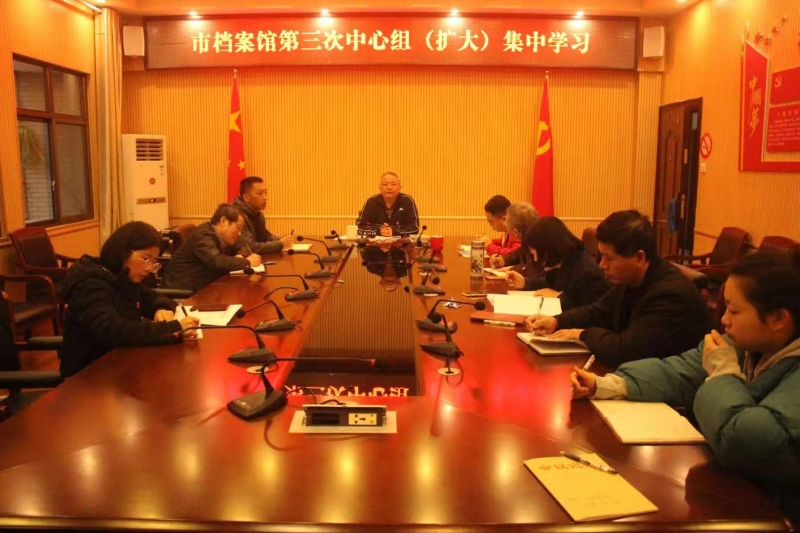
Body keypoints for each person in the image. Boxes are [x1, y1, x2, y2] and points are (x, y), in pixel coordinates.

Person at [570, 248, 800, 523]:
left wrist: (723, 373)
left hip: (774, 514)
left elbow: (745, 441)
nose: (724, 319)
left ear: (777, 319)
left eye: (735, 311)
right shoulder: (749, 343)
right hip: (731, 490)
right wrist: (611, 384)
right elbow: (682, 370)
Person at [525, 210, 712, 367]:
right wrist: (556, 321)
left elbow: (626, 350)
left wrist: (582, 334)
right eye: (601, 256)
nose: (602, 265)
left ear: (639, 258)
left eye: (609, 258)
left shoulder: (669, 295)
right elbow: (598, 311)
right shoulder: (630, 278)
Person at [59, 222, 201, 378]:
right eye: (146, 258)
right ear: (123, 252)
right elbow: (112, 330)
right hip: (87, 377)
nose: (149, 268)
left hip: (119, 366)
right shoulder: (90, 284)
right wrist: (173, 328)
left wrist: (161, 308)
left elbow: (153, 297)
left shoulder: (122, 277)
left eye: (154, 262)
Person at [506, 216, 609, 311]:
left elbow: (588, 311)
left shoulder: (587, 273)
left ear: (549, 249)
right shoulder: (567, 260)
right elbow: (548, 283)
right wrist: (524, 282)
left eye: (535, 253)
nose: (536, 259)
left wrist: (559, 297)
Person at [162, 204, 261, 293]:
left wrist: (239, 255)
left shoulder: (224, 236)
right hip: (184, 292)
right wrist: (246, 262)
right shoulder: (203, 235)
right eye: (238, 227)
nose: (239, 233)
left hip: (206, 287)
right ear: (223, 221)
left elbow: (243, 245)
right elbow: (216, 260)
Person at [232, 176, 294, 255]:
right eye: (260, 193)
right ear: (246, 197)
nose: (265, 197)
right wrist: (280, 244)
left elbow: (265, 237)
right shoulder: (235, 215)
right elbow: (249, 247)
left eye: (265, 192)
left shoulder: (258, 213)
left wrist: (283, 239)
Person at [356, 172, 420, 237]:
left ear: (399, 188)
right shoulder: (371, 202)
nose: (389, 187)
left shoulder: (407, 201)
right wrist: (379, 229)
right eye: (385, 184)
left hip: (400, 243)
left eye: (393, 184)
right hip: (375, 242)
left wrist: (394, 231)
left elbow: (414, 229)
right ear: (380, 188)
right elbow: (360, 228)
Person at [488, 202, 539, 276]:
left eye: (506, 221)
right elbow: (519, 254)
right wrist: (504, 260)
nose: (504, 223)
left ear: (515, 232)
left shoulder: (538, 243)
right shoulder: (529, 238)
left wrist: (513, 269)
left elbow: (535, 269)